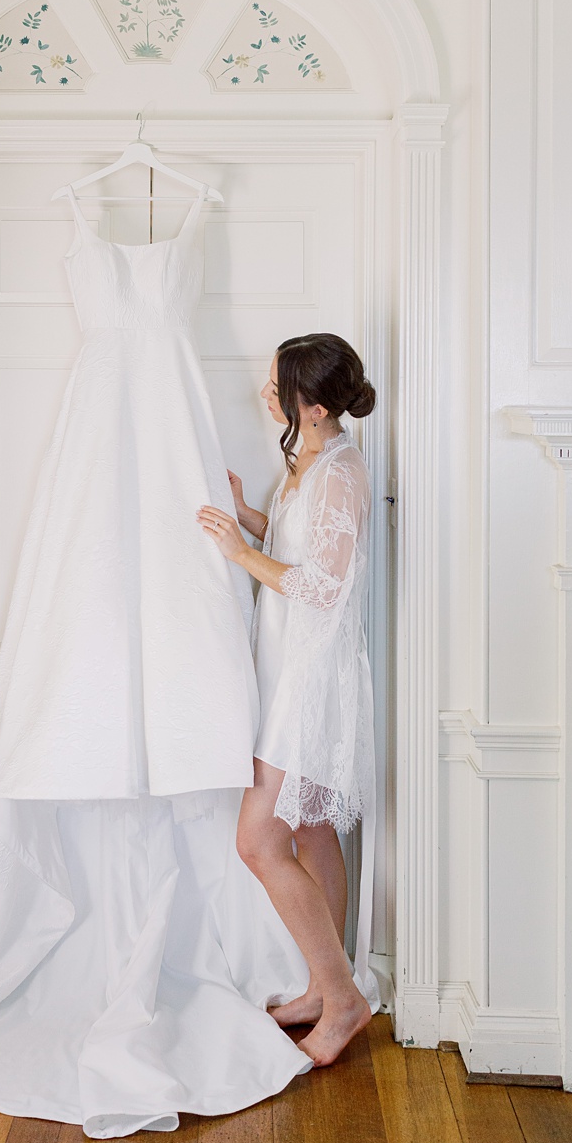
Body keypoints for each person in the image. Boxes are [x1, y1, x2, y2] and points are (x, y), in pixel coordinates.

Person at [0, 189, 312, 1138]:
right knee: (92, 572)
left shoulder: (188, 223)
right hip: (103, 426)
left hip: (166, 420)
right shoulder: (89, 229)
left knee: (174, 588)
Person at [197, 333, 380, 1067]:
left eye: (277, 385)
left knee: (258, 840)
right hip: (288, 667)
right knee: (310, 834)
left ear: (308, 404)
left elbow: (322, 586)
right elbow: (303, 550)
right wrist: (251, 519)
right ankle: (322, 985)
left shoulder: (340, 473)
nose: (265, 392)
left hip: (312, 678)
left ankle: (344, 999)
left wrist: (241, 557)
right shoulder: (312, 456)